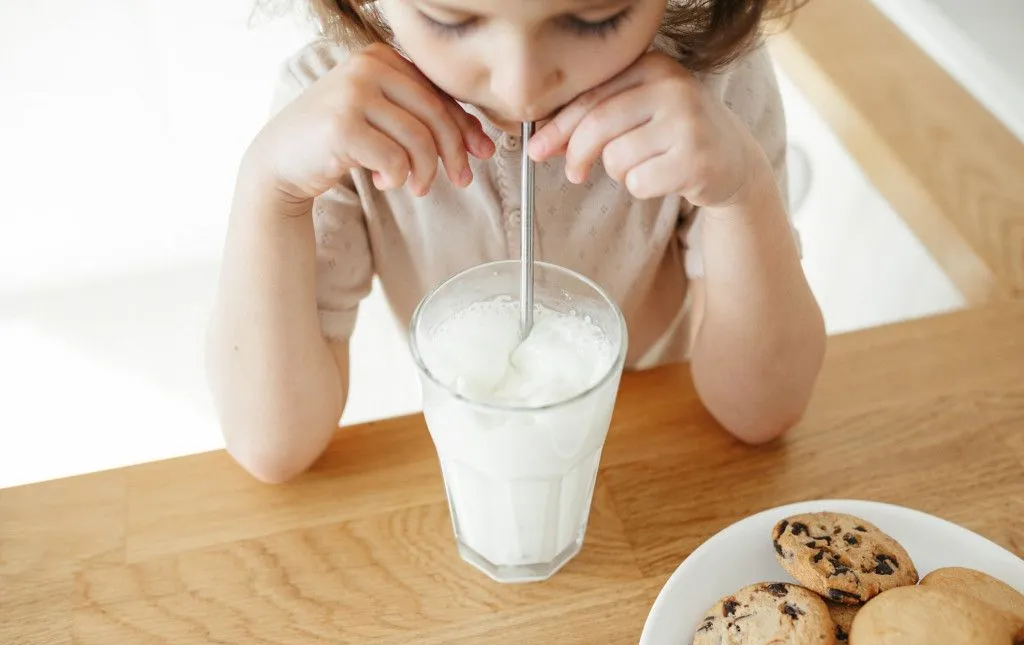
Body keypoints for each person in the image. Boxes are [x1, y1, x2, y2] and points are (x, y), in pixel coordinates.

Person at [206, 0, 826, 483]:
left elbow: (763, 414)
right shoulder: (333, 111)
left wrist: (743, 192)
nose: (522, 85)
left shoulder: (712, 89)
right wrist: (270, 188)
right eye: (451, 18)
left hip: (658, 455)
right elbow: (273, 446)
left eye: (595, 16)